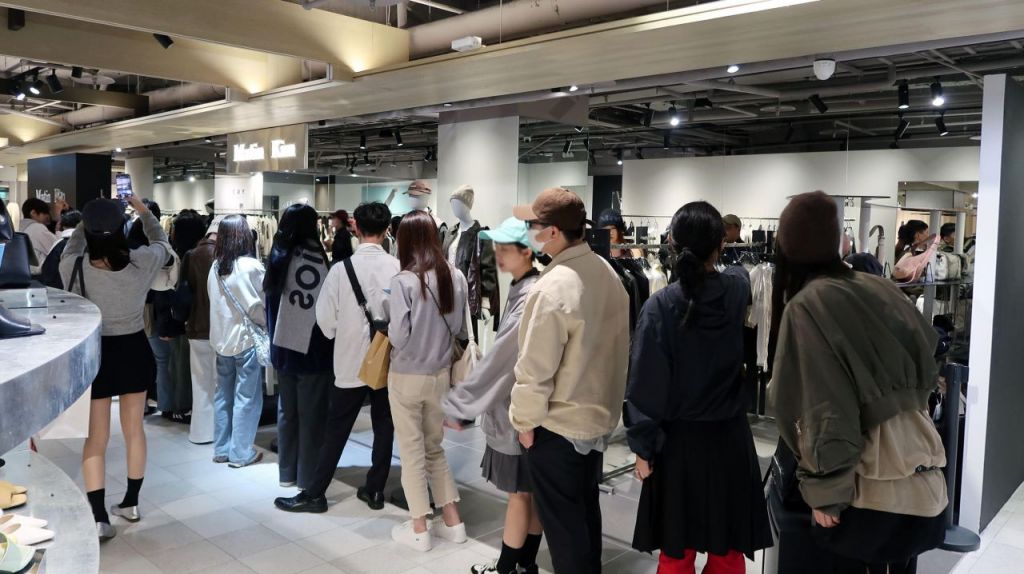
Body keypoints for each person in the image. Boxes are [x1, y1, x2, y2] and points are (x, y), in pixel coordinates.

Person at [769, 191, 947, 574]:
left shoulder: (809, 304)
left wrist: (825, 491)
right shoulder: (879, 287)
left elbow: (824, 409)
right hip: (919, 466)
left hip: (865, 484)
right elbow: (929, 353)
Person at [625, 201, 772, 574]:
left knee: (676, 552)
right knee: (728, 551)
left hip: (677, 445)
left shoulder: (660, 306)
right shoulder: (737, 289)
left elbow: (646, 384)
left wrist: (642, 447)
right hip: (730, 439)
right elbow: (732, 277)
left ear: (670, 243)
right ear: (721, 244)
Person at [510, 187, 630, 574]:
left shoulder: (551, 287)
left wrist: (524, 423)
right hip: (596, 421)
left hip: (559, 426)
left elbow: (534, 368)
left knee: (565, 532)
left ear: (553, 232)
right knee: (584, 517)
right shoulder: (608, 273)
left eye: (533, 225)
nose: (529, 232)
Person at [59, 196, 172, 541]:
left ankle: (98, 518)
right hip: (134, 349)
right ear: (122, 229)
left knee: (96, 438)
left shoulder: (74, 265)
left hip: (97, 354)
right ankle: (131, 504)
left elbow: (72, 246)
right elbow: (162, 243)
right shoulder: (142, 262)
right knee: (134, 429)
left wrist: (89, 220)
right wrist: (144, 211)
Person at [274, 202, 398, 514]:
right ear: (386, 231)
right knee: (384, 425)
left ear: (357, 229)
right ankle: (375, 489)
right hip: (386, 360)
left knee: (336, 429)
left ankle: (315, 493)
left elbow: (325, 321)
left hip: (349, 360)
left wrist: (343, 331)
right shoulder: (398, 268)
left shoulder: (341, 270)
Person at [441, 217, 545, 574]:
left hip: (520, 412)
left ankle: (506, 569)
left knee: (519, 494)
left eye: (505, 248)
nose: (498, 254)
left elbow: (502, 360)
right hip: (526, 410)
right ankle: (526, 565)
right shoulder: (525, 288)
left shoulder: (528, 295)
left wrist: (461, 404)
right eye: (496, 247)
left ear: (526, 251)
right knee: (529, 493)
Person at [387, 209, 469, 552]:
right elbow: (460, 329)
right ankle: (453, 523)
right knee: (435, 448)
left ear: (405, 241)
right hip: (440, 376)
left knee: (411, 452)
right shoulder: (456, 276)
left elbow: (398, 336)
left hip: (406, 376)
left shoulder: (404, 281)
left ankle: (419, 528)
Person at [263, 204, 333, 490]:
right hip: (312, 353)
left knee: (287, 413)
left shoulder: (277, 255)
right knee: (311, 416)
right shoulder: (315, 258)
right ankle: (307, 478)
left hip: (282, 350)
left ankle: (287, 474)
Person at [208, 215, 266, 468]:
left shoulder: (215, 267)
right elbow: (263, 302)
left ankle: (221, 448)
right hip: (245, 340)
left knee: (223, 395)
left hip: (221, 340)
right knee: (246, 397)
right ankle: (241, 453)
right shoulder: (251, 266)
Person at [182, 217, 220, 445]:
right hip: (220, 328)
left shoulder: (191, 254)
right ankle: (219, 433)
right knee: (220, 384)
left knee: (200, 383)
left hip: (196, 326)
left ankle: (200, 433)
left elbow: (184, 291)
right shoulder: (225, 255)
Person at [20, 197, 65, 275]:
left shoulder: (20, 228)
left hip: (25, 274)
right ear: (33, 213)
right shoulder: (37, 228)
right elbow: (59, 247)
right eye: (45, 213)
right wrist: (59, 226)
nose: (48, 217)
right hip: (39, 276)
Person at [40, 209, 82, 289]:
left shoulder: (59, 244)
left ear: (63, 226)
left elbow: (48, 271)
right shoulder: (87, 243)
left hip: (59, 290)